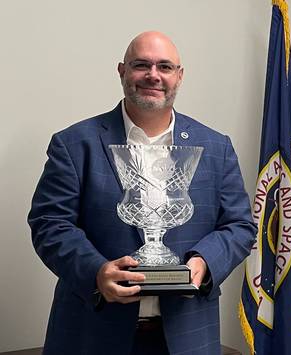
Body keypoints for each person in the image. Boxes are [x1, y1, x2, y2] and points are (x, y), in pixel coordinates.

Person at [28, 31, 257, 355]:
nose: (153, 75)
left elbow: (240, 226)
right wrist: (96, 273)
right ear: (122, 71)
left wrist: (204, 262)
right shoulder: (75, 144)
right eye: (141, 65)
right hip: (91, 334)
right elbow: (50, 224)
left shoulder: (216, 147)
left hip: (188, 337)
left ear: (179, 75)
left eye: (165, 66)